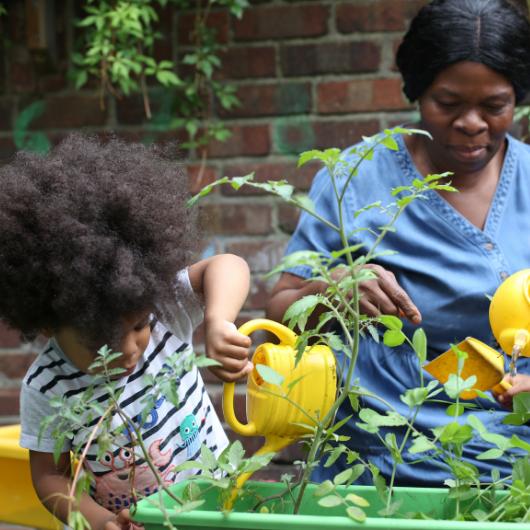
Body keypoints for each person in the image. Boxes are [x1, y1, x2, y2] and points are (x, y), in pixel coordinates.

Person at [266, 0, 530, 486]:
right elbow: (280, 313)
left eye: (495, 106)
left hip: (510, 474)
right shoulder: (355, 177)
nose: (472, 123)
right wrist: (329, 292)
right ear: (415, 91)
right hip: (372, 472)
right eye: (447, 104)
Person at [0, 135, 252, 530]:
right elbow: (50, 477)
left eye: (137, 326)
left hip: (219, 507)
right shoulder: (47, 387)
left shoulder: (166, 315)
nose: (129, 349)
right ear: (48, 323)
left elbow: (228, 265)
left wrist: (220, 320)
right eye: (101, 340)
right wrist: (100, 522)